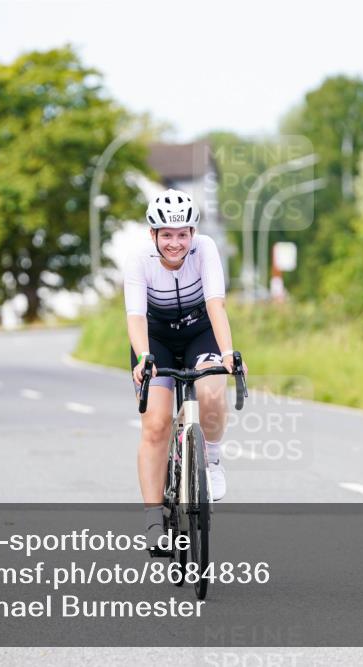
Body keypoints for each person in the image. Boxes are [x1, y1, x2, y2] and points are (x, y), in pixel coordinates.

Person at [125, 189, 243, 549]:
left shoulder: (205, 249)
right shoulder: (138, 261)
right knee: (157, 423)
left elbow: (216, 304)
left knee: (211, 389)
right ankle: (153, 521)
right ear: (153, 235)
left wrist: (227, 353)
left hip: (199, 331)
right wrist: (144, 356)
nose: (175, 243)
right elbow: (135, 317)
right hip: (156, 338)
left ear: (192, 233)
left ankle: (211, 456)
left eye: (182, 234)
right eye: (167, 235)